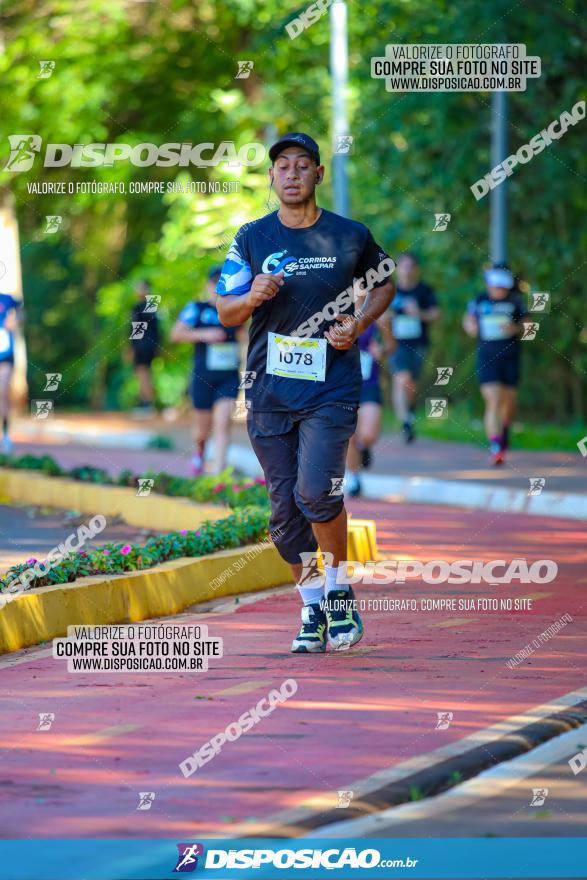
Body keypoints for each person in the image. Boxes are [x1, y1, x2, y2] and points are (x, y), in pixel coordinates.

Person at [215, 131, 395, 653]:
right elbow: (226, 311)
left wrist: (358, 323)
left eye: (302, 165)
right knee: (284, 514)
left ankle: (339, 591)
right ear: (272, 178)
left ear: (318, 174)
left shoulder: (350, 235)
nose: (292, 174)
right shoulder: (251, 238)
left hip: (331, 384)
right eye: (282, 167)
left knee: (317, 491)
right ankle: (312, 603)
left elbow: (384, 282)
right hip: (269, 388)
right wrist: (251, 295)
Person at [171, 267, 242, 475]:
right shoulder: (197, 309)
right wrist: (205, 334)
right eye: (214, 283)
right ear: (208, 285)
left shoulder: (236, 310)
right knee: (201, 432)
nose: (218, 288)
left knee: (223, 423)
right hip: (203, 377)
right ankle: (199, 455)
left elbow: (245, 336)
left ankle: (218, 476)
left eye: (223, 284)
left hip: (228, 378)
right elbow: (176, 335)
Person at [463, 265, 526, 466]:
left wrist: (515, 328)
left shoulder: (516, 301)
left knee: (509, 405)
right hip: (487, 358)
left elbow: (530, 328)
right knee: (494, 401)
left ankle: (505, 429)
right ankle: (496, 446)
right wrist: (471, 325)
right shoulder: (480, 300)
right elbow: (468, 321)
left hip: (510, 358)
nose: (497, 289)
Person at [386, 252, 440, 443]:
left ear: (416, 269)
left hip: (419, 343)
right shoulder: (389, 290)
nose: (407, 270)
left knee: (411, 384)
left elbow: (436, 315)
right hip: (395, 343)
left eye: (410, 266)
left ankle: (409, 411)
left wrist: (419, 313)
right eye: (403, 266)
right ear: (398, 269)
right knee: (402, 378)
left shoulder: (424, 291)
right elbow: (377, 315)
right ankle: (406, 422)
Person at [345, 322, 384, 497]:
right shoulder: (332, 314)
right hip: (343, 385)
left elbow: (391, 345)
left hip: (369, 384)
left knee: (368, 434)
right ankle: (354, 477)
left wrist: (382, 349)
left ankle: (363, 446)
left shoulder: (377, 315)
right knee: (349, 434)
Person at [129, 280, 159, 416]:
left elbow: (138, 327)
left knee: (142, 372)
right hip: (148, 345)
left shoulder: (140, 307)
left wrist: (133, 346)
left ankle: (147, 403)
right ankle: (145, 402)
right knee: (144, 372)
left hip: (143, 345)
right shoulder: (150, 305)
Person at [0, 293, 22, 453]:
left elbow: (22, 313)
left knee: (2, 394)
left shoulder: (7, 299)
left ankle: (6, 436)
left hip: (5, 356)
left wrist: (16, 321)